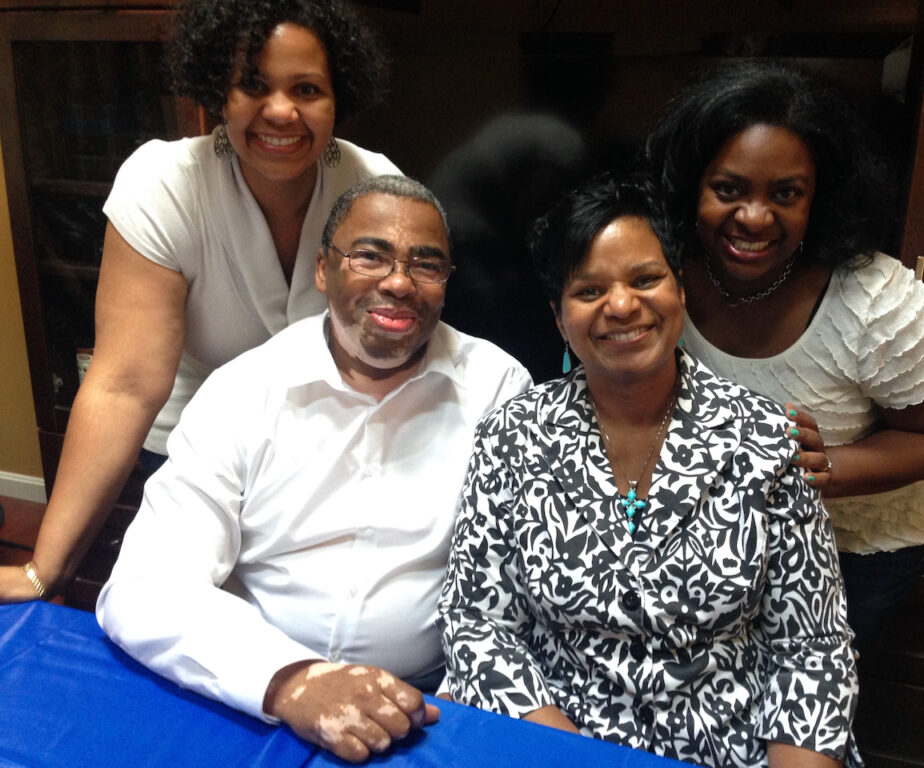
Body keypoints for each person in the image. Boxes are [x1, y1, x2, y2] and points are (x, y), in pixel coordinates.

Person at [96, 175, 532, 762]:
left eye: (426, 265)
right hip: (256, 699)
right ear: (324, 270)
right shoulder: (245, 390)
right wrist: (292, 680)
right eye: (370, 256)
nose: (399, 282)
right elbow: (144, 586)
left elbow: (518, 578)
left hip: (434, 710)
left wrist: (467, 690)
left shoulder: (497, 389)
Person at [437, 176, 860, 768]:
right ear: (559, 319)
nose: (621, 305)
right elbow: (478, 623)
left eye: (644, 279)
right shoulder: (512, 435)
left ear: (680, 292)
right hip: (554, 743)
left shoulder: (764, 438)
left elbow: (811, 646)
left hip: (732, 747)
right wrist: (564, 754)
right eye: (589, 290)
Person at [1, 0, 401, 603]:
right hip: (188, 456)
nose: (281, 111)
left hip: (325, 457)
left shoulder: (377, 191)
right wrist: (43, 572)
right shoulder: (164, 185)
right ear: (218, 90)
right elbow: (124, 385)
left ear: (338, 96)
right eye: (253, 85)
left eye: (307, 88)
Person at [642, 61, 924, 667]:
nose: (754, 217)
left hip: (862, 542)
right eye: (729, 189)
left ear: (819, 196)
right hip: (724, 536)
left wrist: (828, 470)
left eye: (786, 194)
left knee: (805, 691)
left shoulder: (874, 298)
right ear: (692, 185)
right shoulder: (660, 273)